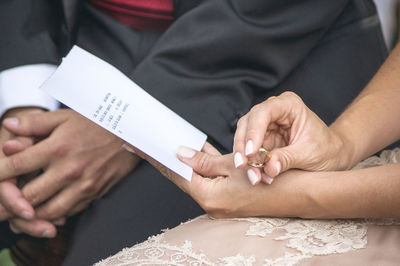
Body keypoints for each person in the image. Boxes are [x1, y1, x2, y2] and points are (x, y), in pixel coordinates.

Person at [0, 0, 388, 264]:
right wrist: (22, 108)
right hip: (73, 38)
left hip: (269, 45)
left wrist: (127, 122)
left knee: (113, 248)